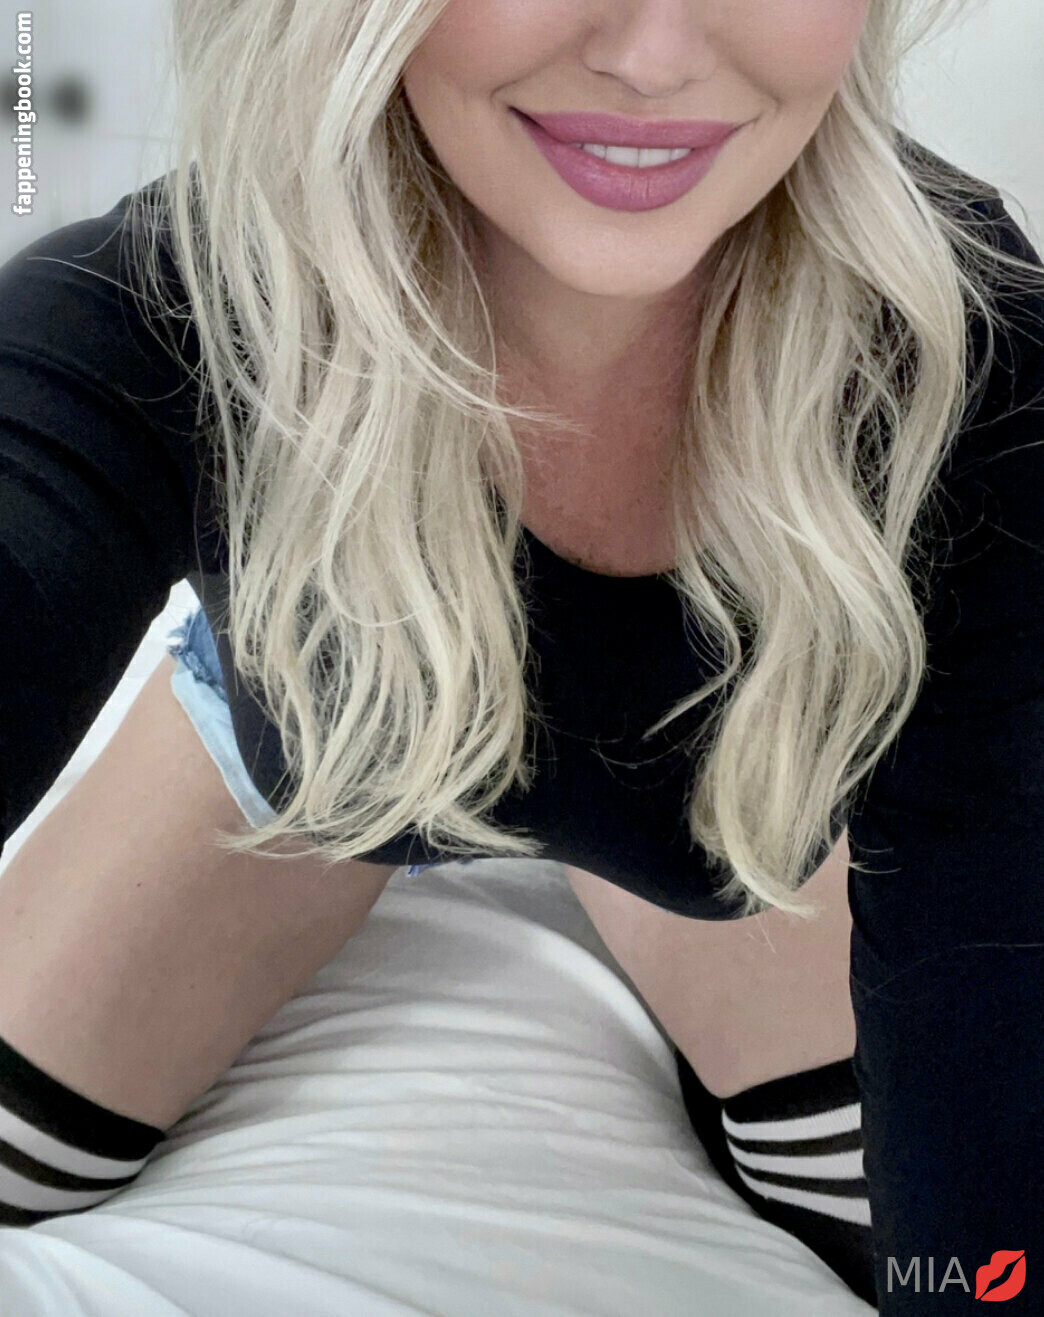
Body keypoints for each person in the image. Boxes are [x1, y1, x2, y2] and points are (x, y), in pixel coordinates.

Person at [0, 1, 1041, 1312]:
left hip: (743, 776)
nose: (655, 56)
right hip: (315, 738)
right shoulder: (170, 309)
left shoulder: (959, 363)